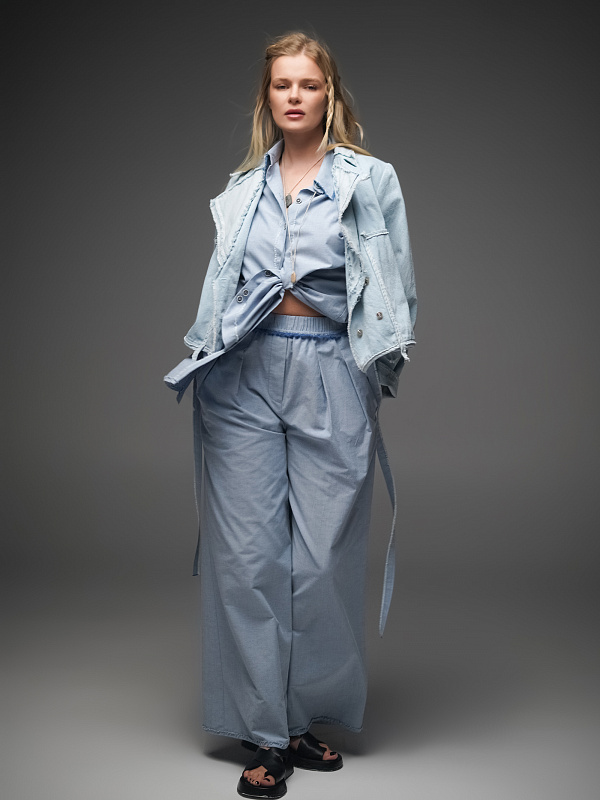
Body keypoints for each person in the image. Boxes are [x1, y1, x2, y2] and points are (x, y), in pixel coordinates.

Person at [165, 31, 417, 799]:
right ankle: (268, 734)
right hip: (241, 376)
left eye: (309, 83)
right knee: (248, 560)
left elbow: (400, 285)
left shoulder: (368, 179)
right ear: (267, 97)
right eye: (283, 84)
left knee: (322, 558)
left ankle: (302, 715)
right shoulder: (242, 187)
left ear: (329, 94)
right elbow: (224, 285)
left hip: (331, 369)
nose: (295, 96)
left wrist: (374, 372)